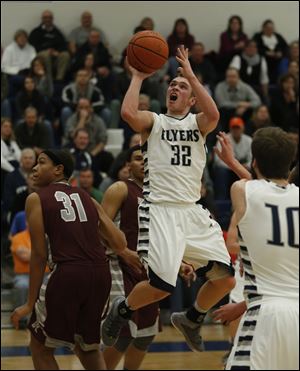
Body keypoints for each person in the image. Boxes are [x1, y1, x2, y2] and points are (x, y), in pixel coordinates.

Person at [101, 46, 235, 352]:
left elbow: (214, 113)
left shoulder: (198, 124)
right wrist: (137, 76)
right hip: (160, 210)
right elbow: (128, 114)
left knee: (225, 279)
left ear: (192, 99)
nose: (174, 87)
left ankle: (191, 318)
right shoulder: (155, 121)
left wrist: (190, 74)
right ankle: (121, 310)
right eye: (172, 85)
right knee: (162, 287)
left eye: (182, 87)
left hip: (192, 211)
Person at [10, 149, 141, 370]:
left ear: (58, 169)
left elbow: (40, 255)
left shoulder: (35, 198)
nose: (34, 167)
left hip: (68, 274)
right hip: (101, 276)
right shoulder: (88, 198)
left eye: (41, 162)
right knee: (87, 347)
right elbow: (119, 243)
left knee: (40, 348)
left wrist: (30, 303)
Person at [214, 127, 299, 369]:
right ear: (290, 161)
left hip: (265, 316)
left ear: (255, 162)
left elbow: (256, 190)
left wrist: (232, 163)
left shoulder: (241, 190)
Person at [102, 145, 160, 370]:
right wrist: (123, 251)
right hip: (118, 265)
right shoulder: (120, 188)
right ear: (128, 165)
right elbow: (100, 226)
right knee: (123, 332)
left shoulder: (159, 194)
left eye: (147, 158)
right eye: (138, 158)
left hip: (147, 268)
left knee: (145, 334)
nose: (144, 162)